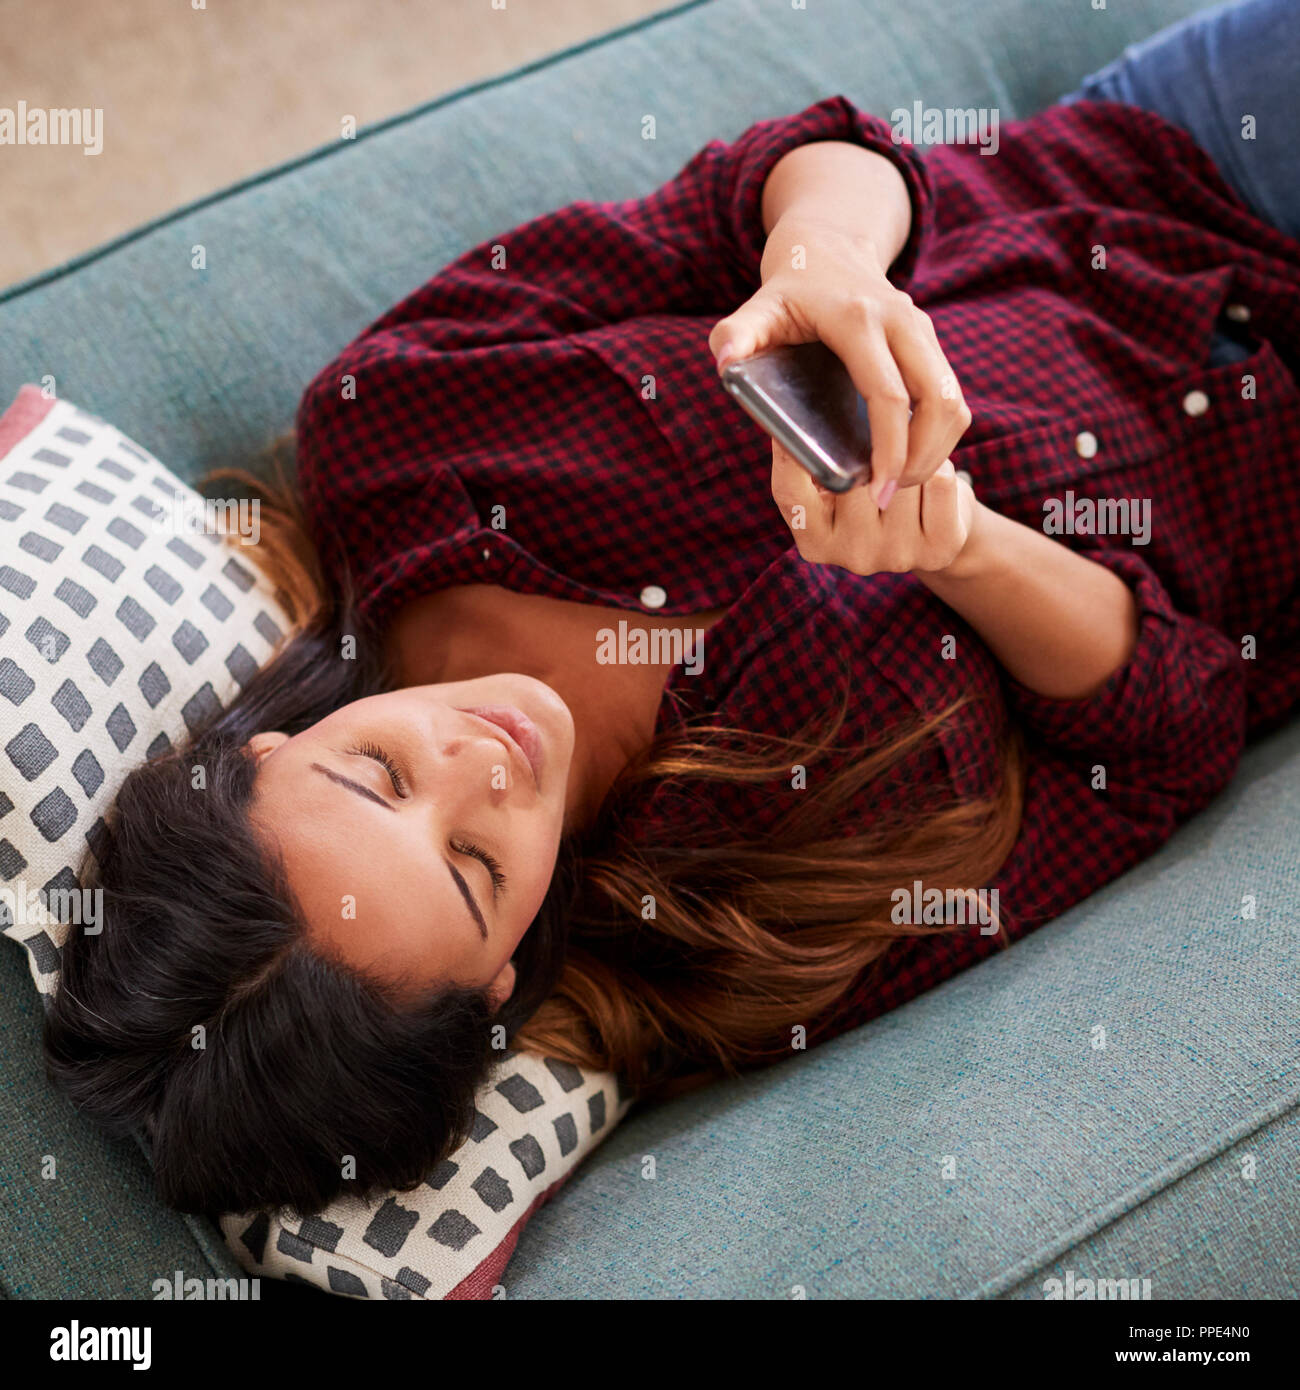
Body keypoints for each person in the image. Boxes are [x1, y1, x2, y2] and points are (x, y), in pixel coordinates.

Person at [43, 0, 1300, 1218]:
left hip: (1164, 167)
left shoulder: (395, 434)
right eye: (475, 869)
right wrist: (964, 551)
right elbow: (1162, 747)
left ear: (263, 751)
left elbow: (777, 177)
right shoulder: (742, 950)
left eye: (377, 776)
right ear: (492, 985)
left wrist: (821, 263)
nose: (482, 768)